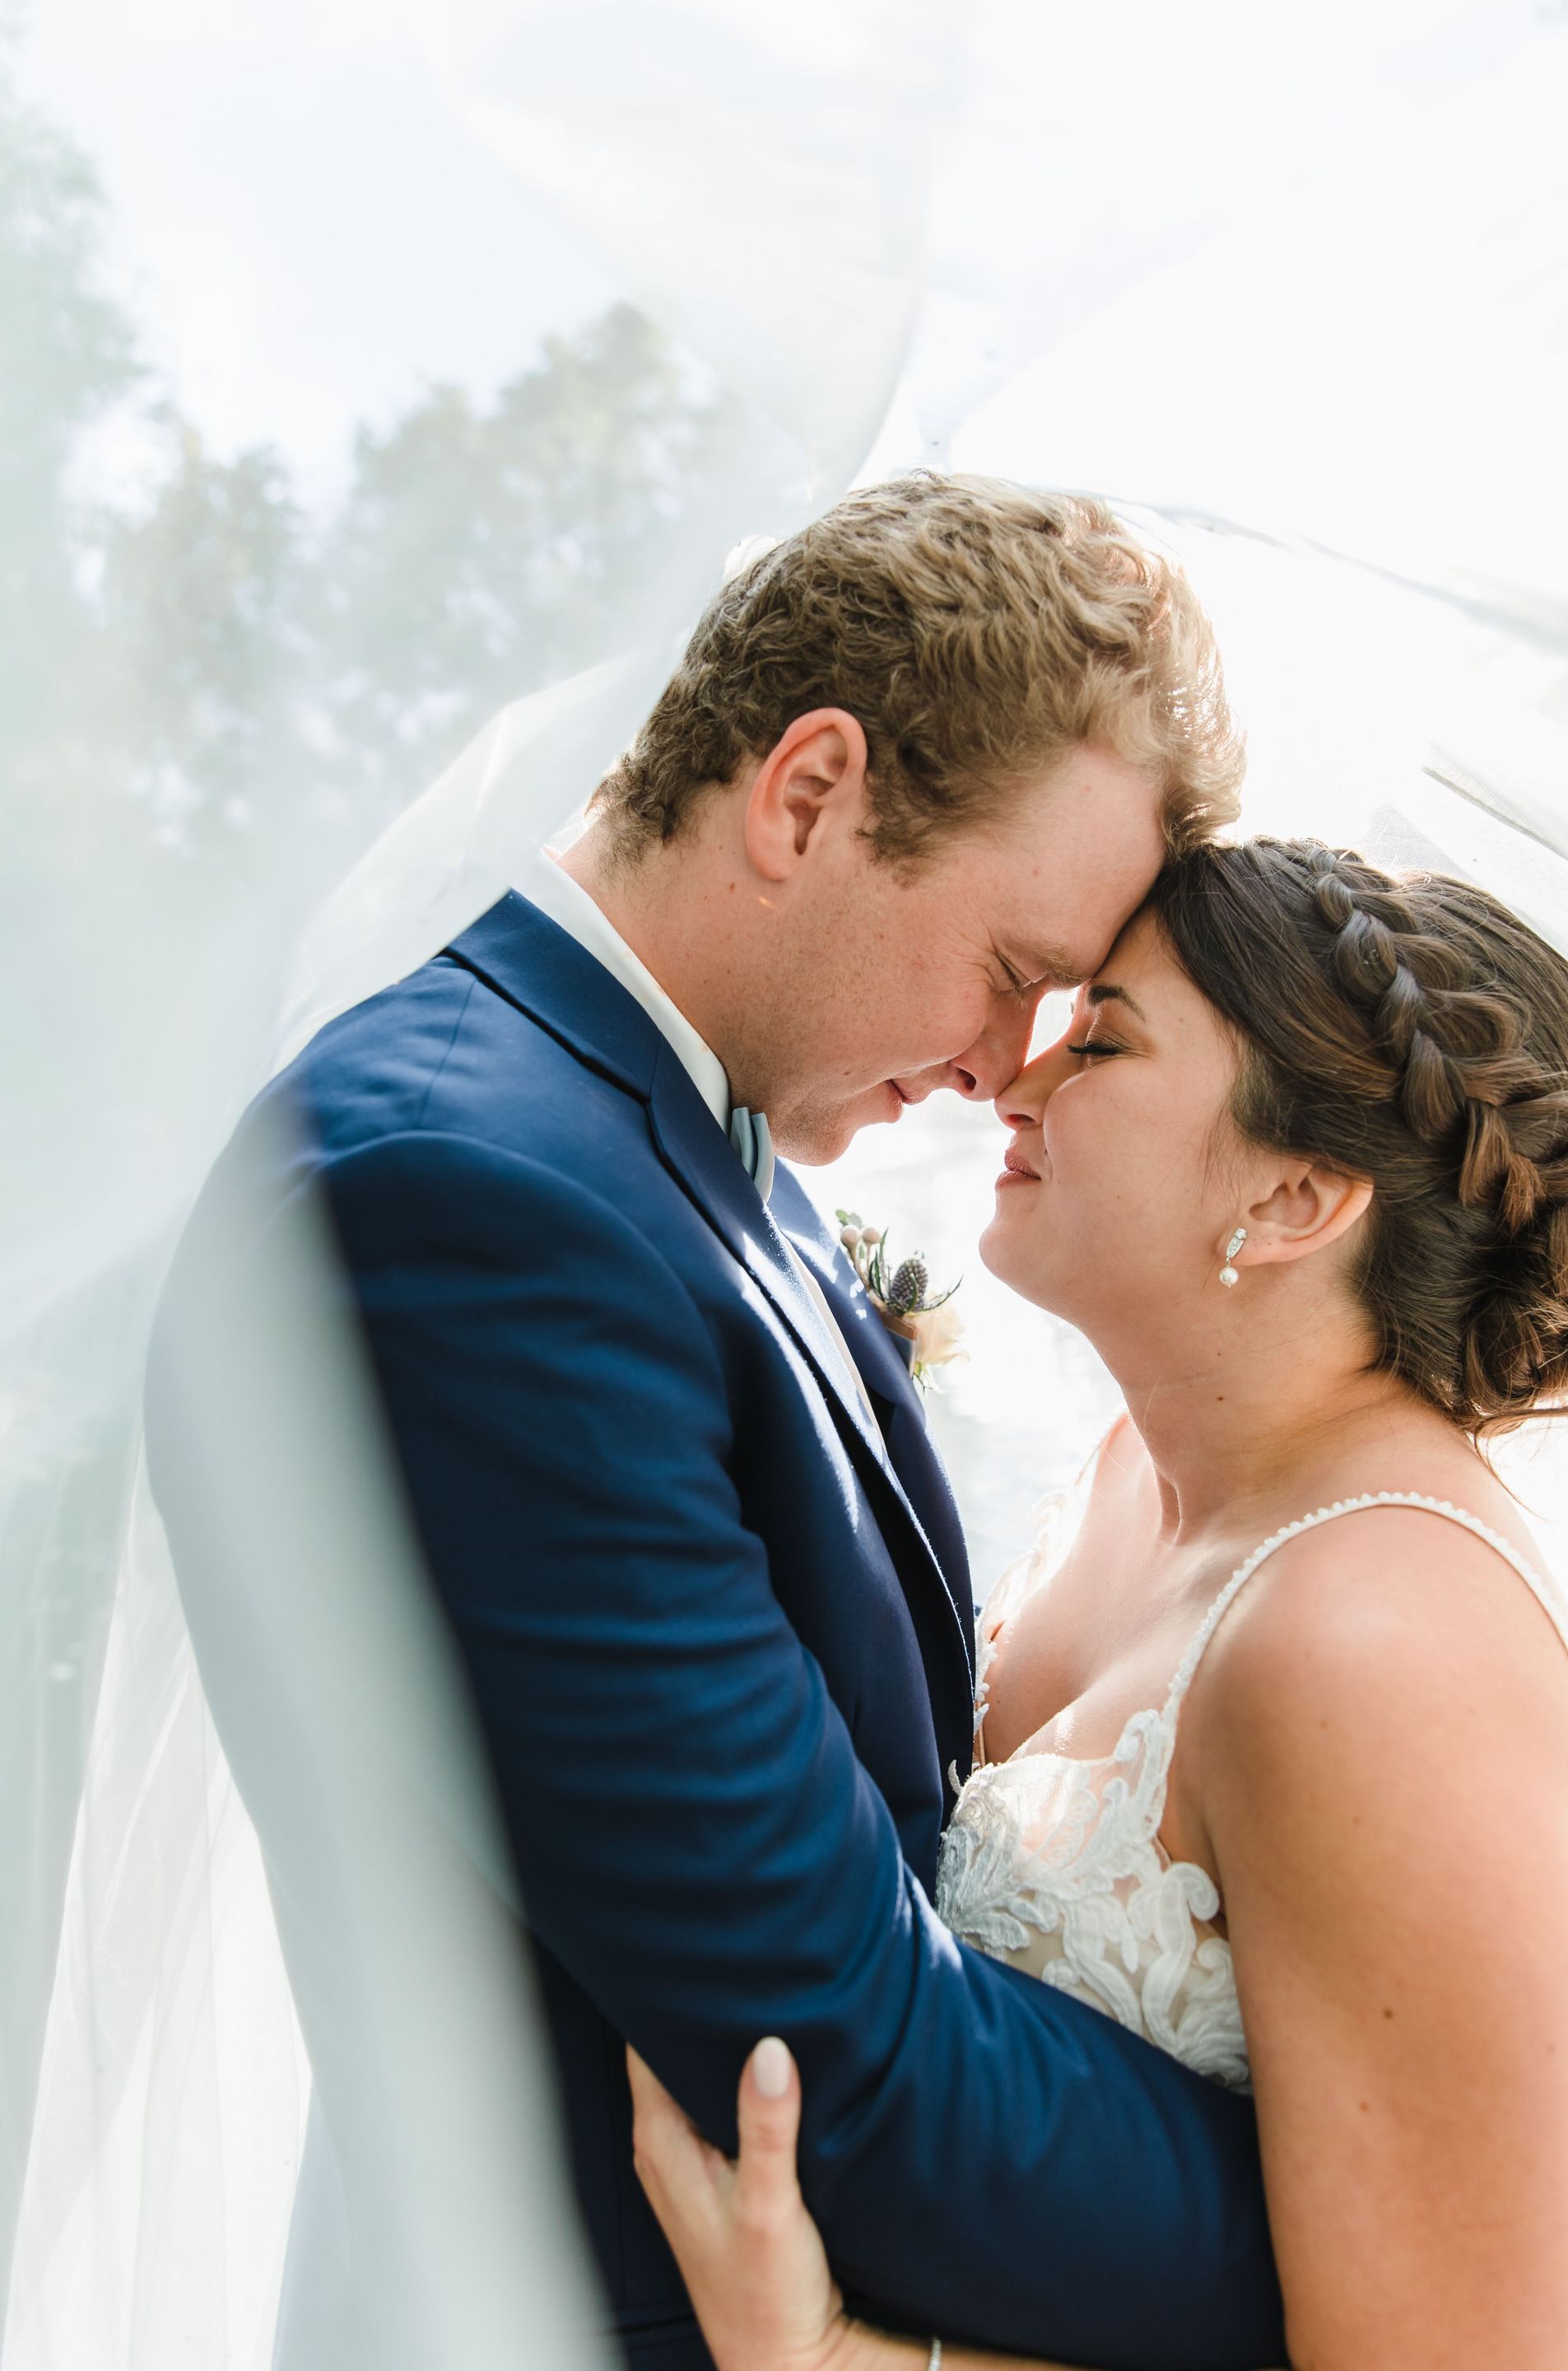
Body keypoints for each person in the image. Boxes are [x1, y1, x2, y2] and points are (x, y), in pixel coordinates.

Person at [147, 474, 1287, 2371]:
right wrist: (1394, 2217)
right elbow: (841, 2053)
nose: (1009, 1068)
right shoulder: (462, 1202)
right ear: (809, 793)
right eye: (1013, 972)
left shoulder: (653, 1132)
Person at [628, 836, 1568, 2371]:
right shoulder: (1146, 1465)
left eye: (1109, 1038)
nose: (1017, 1077)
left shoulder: (1381, 1651)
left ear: (1292, 1196)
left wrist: (842, 2364)